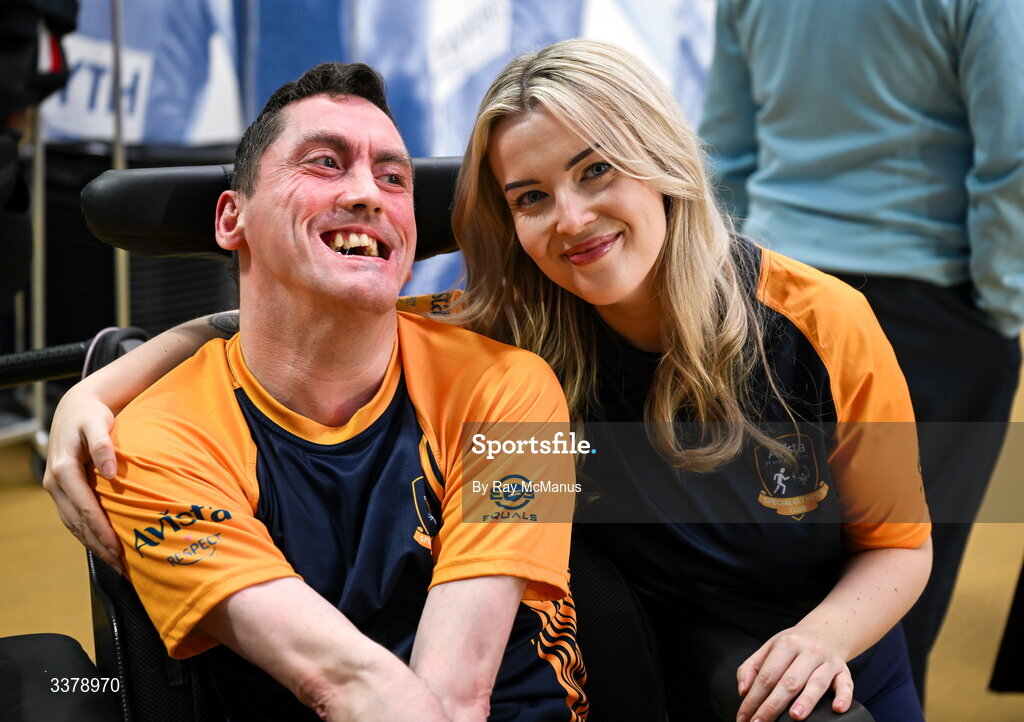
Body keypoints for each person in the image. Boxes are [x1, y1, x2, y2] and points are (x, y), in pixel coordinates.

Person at [45, 41, 930, 722]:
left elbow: (901, 544)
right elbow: (301, 312)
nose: (572, 219)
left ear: (661, 161)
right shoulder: (520, 326)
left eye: (597, 170)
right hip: (643, 645)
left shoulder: (818, 323)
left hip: (818, 651)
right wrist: (101, 386)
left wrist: (821, 639)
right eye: (531, 196)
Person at [45, 61, 586, 722]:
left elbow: (458, 694)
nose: (368, 195)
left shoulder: (507, 384)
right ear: (232, 218)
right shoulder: (149, 444)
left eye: (393, 178)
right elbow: (349, 686)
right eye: (325, 163)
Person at [698, 0, 1024, 700]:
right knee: (895, 595)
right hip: (930, 312)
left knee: (771, 591)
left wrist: (730, 292)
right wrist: (1001, 303)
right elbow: (1014, 153)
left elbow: (724, 150)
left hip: (771, 299)